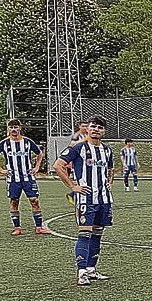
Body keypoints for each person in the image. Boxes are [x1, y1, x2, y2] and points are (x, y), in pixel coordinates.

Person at [55, 115, 115, 285]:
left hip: (103, 199)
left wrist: (110, 182)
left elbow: (110, 169)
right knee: (85, 233)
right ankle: (81, 272)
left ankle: (91, 270)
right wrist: (73, 186)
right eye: (93, 126)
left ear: (104, 131)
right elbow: (58, 166)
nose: (96, 129)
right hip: (85, 198)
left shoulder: (107, 150)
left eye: (100, 127)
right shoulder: (77, 147)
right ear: (87, 128)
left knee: (97, 234)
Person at [0, 119, 50, 235]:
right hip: (13, 179)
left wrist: (37, 167)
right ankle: (17, 228)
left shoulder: (28, 142)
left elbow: (39, 153)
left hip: (28, 177)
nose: (13, 130)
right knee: (14, 202)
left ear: (20, 128)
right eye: (11, 127)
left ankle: (39, 227)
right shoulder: (4, 143)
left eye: (16, 127)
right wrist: (0, 169)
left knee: (34, 201)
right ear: (8, 129)